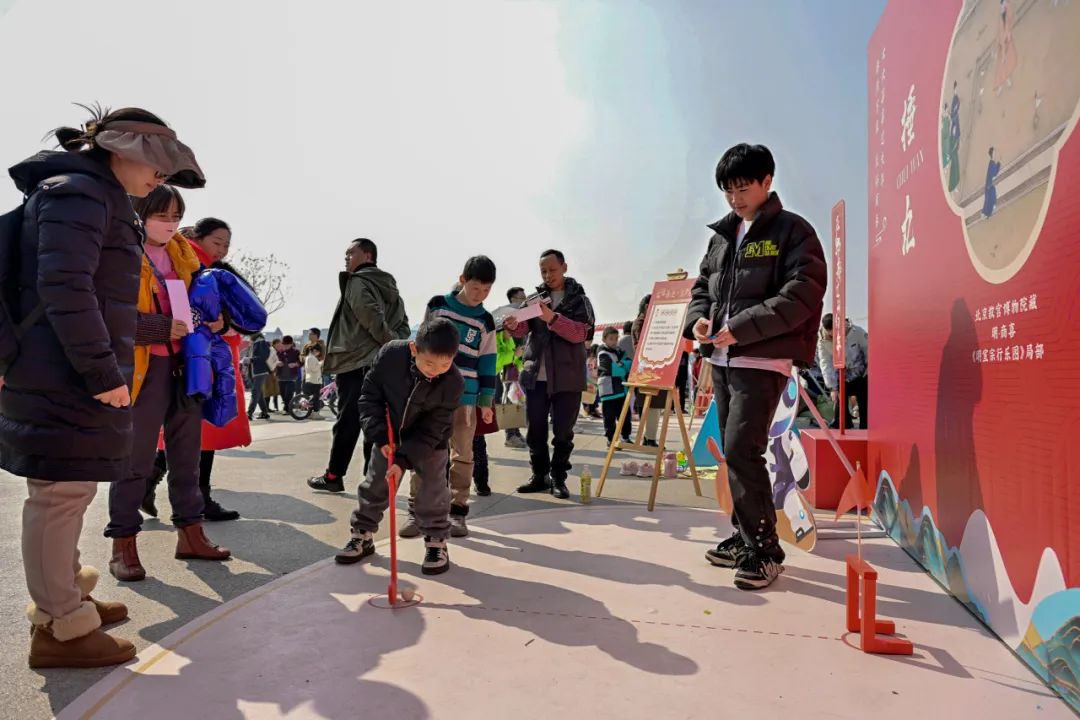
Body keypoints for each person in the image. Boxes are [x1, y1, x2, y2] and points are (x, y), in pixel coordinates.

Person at [1, 105, 203, 667]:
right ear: (121, 150)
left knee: (70, 489)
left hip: (58, 365)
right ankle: (61, 628)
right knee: (59, 494)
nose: (160, 177)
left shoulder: (88, 193)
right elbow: (66, 287)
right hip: (62, 370)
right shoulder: (80, 195)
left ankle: (66, 597)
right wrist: (101, 371)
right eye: (156, 165)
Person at [685, 143, 826, 590]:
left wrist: (741, 328)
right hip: (722, 357)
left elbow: (803, 294)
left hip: (762, 359)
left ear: (767, 181)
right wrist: (698, 321)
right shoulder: (721, 237)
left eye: (743, 188)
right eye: (728, 190)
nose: (735, 198)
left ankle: (765, 550)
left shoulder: (793, 231)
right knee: (735, 451)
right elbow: (701, 290)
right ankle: (745, 536)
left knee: (742, 448)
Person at [105, 188, 231, 581]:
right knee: (135, 461)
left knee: (187, 457)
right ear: (140, 213)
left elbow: (200, 304)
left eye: (176, 215)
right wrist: (159, 328)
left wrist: (217, 320)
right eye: (162, 214)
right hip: (144, 370)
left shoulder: (185, 256)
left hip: (187, 365)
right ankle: (123, 544)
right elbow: (106, 316)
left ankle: (191, 534)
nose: (171, 223)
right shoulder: (119, 253)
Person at [142, 217, 258, 522]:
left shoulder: (200, 264)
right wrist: (215, 322)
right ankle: (195, 500)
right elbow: (181, 309)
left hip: (202, 356)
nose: (222, 250)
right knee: (201, 429)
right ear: (198, 236)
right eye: (217, 242)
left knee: (196, 430)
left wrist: (222, 320)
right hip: (197, 358)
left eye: (226, 245)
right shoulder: (187, 262)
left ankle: (154, 482)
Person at [334, 319, 464, 576]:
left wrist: (403, 461)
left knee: (433, 489)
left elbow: (433, 428)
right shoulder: (391, 355)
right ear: (414, 349)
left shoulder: (453, 382)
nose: (436, 371)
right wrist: (380, 437)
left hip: (430, 440)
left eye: (445, 364)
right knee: (376, 483)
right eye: (429, 364)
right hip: (389, 435)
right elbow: (369, 396)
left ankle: (436, 541)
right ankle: (362, 533)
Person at [308, 238, 411, 493]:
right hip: (380, 365)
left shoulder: (357, 281)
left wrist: (387, 344)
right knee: (375, 421)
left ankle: (334, 476)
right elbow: (404, 325)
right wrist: (392, 350)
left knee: (348, 421)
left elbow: (370, 316)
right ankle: (373, 479)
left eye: (350, 253)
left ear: (367, 255)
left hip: (355, 362)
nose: (346, 258)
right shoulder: (391, 288)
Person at [405, 257, 497, 538]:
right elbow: (422, 343)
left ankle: (458, 511)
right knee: (423, 448)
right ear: (462, 280)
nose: (479, 295)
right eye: (475, 288)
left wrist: (486, 401)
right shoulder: (437, 306)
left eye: (486, 290)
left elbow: (488, 361)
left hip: (466, 397)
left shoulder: (485, 320)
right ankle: (417, 510)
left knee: (463, 454)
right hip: (431, 391)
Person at [505, 249, 595, 499]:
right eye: (543, 271)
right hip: (536, 376)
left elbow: (582, 334)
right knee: (535, 430)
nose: (547, 275)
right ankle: (539, 476)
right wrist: (513, 326)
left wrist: (552, 318)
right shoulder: (534, 299)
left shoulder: (579, 300)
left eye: (552, 270)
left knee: (563, 432)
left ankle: (558, 479)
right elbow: (522, 328)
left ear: (564, 268)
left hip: (568, 376)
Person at [816, 313, 869, 430]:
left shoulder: (857, 332)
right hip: (840, 376)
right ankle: (843, 423)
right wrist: (832, 387)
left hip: (860, 373)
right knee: (839, 402)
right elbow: (825, 363)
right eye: (830, 333)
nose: (833, 336)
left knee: (864, 401)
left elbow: (869, 350)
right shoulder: (823, 341)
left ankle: (865, 426)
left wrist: (869, 371)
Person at [500, 287, 527, 449]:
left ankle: (515, 432)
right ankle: (510, 435)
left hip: (518, 364)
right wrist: (514, 354)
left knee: (518, 398)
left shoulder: (524, 318)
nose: (524, 301)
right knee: (510, 399)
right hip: (508, 365)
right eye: (521, 298)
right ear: (512, 300)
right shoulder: (506, 319)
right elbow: (502, 345)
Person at [631, 295, 661, 446]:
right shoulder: (641, 322)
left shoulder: (648, 322)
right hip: (647, 370)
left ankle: (649, 437)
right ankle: (649, 438)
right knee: (651, 405)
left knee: (654, 406)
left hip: (653, 368)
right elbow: (640, 347)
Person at [597, 327, 633, 444]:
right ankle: (611, 439)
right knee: (609, 417)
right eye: (611, 338)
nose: (614, 341)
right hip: (608, 391)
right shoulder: (602, 353)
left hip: (621, 390)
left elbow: (630, 364)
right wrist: (623, 367)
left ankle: (625, 437)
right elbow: (613, 370)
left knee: (625, 415)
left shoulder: (620, 351)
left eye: (616, 338)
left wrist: (621, 364)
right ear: (604, 339)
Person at [247, 333, 272, 420]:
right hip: (257, 372)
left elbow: (263, 357)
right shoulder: (256, 343)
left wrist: (251, 359)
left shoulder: (261, 343)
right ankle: (265, 413)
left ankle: (249, 413)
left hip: (260, 372)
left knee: (255, 392)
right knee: (259, 393)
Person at [276, 335, 301, 414]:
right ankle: (288, 407)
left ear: (291, 344)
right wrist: (277, 363)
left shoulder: (296, 352)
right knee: (282, 394)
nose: (285, 346)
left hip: (291, 377)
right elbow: (274, 361)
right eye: (284, 344)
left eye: (287, 344)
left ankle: (287, 409)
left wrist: (295, 364)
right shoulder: (279, 352)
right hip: (281, 376)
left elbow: (301, 362)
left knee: (288, 394)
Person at [303, 344, 325, 418]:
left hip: (310, 379)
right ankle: (315, 414)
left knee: (311, 398)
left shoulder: (308, 357)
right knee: (316, 398)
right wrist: (320, 363)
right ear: (315, 351)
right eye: (318, 352)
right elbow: (314, 369)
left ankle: (310, 413)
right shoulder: (312, 358)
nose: (318, 354)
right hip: (315, 380)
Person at [265, 339, 282, 412]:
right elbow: (269, 362)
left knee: (270, 391)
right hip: (269, 373)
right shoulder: (272, 351)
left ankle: (267, 408)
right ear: (274, 344)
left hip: (270, 372)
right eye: (278, 344)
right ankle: (266, 408)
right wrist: (277, 363)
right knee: (268, 391)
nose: (280, 346)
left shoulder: (273, 350)